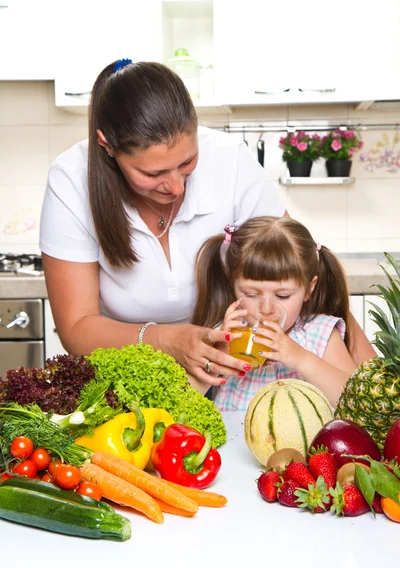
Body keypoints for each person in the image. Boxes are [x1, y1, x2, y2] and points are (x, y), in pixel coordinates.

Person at [40, 58, 374, 390]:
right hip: (123, 383)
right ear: (107, 146)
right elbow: (77, 327)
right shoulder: (71, 180)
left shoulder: (230, 161)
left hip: (222, 379)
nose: (176, 186)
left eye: (187, 163)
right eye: (153, 173)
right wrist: (166, 340)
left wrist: (376, 384)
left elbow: (295, 264)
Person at [191, 216, 361, 408]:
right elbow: (182, 404)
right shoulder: (227, 333)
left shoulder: (319, 333)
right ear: (232, 284)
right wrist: (217, 358)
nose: (266, 309)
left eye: (282, 296)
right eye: (251, 294)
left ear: (309, 289)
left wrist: (301, 358)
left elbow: (356, 401)